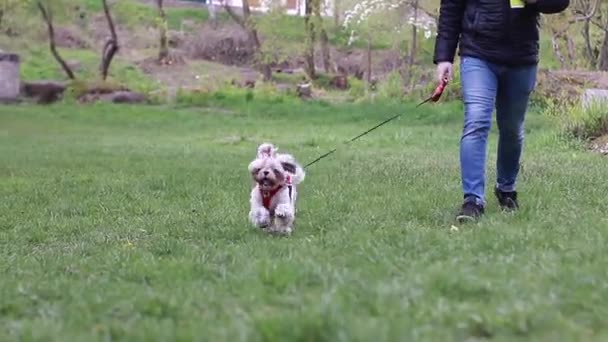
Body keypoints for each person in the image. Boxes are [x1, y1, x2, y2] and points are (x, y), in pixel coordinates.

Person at [433, 0, 570, 222]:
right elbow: (450, 9)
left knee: (512, 128)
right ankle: (472, 200)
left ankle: (506, 188)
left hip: (522, 57)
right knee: (476, 121)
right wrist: (444, 57)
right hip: (477, 53)